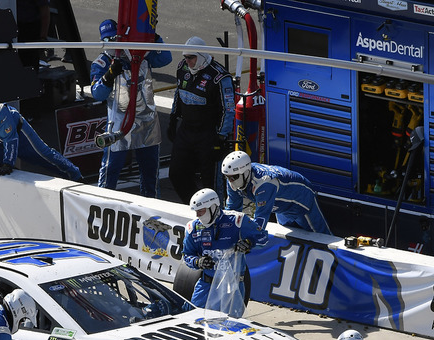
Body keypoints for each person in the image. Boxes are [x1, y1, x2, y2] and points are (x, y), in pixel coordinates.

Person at [90, 19, 172, 198]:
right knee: (109, 173)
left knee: (150, 175)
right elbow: (97, 94)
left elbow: (166, 58)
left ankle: (152, 213)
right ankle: (102, 207)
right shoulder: (101, 63)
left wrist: (153, 36)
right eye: (107, 40)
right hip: (119, 125)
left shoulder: (140, 53)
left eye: (114, 39)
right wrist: (109, 75)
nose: (112, 44)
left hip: (146, 123)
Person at [168, 36, 235, 204]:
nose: (188, 62)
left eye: (191, 57)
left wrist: (221, 137)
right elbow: (178, 93)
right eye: (186, 57)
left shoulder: (219, 77)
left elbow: (228, 110)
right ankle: (196, 207)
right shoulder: (182, 68)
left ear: (202, 55)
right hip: (186, 131)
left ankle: (216, 214)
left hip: (208, 136)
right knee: (176, 174)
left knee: (210, 184)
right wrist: (173, 118)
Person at [182, 188, 267, 310]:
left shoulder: (238, 220)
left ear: (213, 207)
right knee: (193, 319)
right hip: (205, 286)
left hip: (232, 287)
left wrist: (249, 243)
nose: (198, 215)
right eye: (196, 212)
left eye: (201, 211)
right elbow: (186, 255)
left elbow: (263, 237)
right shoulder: (193, 227)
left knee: (229, 325)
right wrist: (197, 262)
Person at [0, 104, 82, 181]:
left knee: (44, 155)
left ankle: (77, 176)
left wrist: (8, 163)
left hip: (18, 134)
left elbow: (10, 139)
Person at [222, 150, 332, 234]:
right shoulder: (234, 181)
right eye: (228, 177)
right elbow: (232, 211)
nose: (231, 181)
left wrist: (247, 239)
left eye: (234, 177)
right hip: (281, 207)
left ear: (245, 173)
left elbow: (260, 221)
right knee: (285, 238)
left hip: (301, 200)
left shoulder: (264, 183)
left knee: (320, 238)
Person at [15, 0, 50, 72]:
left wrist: (43, 37)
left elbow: (45, 12)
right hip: (11, 27)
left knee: (30, 64)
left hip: (29, 30)